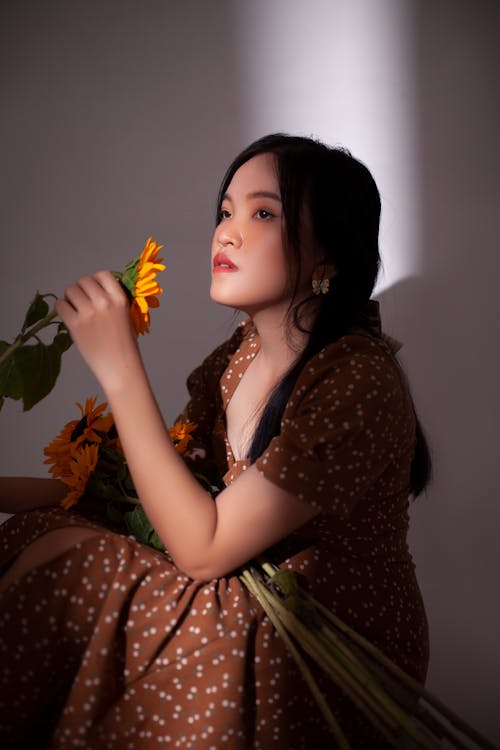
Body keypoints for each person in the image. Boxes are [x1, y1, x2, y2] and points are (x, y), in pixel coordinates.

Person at [0, 133, 430, 749]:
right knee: (42, 531)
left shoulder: (356, 379)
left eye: (263, 213)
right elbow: (153, 498)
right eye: (225, 211)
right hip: (243, 598)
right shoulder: (236, 358)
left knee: (87, 567)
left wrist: (120, 367)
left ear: (328, 255)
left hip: (329, 643)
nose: (226, 232)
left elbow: (201, 548)